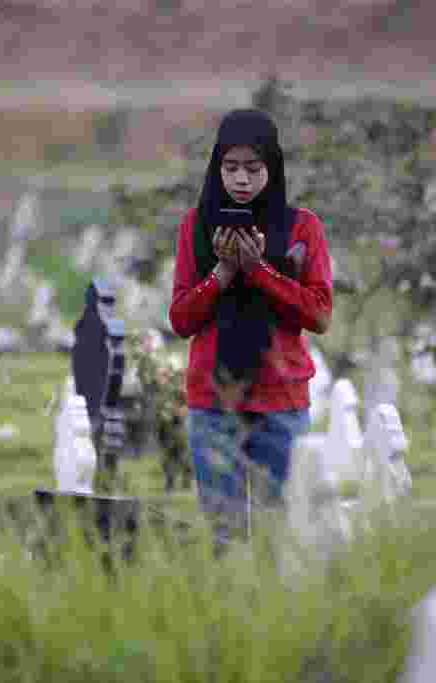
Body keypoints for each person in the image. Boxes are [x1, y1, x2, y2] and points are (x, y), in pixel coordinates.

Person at [168, 108, 333, 554]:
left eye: (253, 168)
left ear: (272, 168)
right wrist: (222, 273)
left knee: (280, 535)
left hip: (280, 400)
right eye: (231, 167)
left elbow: (319, 315)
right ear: (217, 166)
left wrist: (258, 270)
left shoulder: (302, 228)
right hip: (213, 404)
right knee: (224, 539)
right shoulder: (196, 227)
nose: (241, 179)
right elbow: (182, 319)